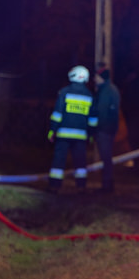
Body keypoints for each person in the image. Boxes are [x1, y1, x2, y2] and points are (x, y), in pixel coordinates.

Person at [48, 65, 97, 193]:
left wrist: (52, 130)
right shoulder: (89, 95)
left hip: (63, 134)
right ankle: (81, 186)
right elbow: (92, 119)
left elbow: (57, 114)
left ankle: (55, 186)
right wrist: (91, 135)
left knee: (59, 160)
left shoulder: (64, 92)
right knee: (80, 162)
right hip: (81, 136)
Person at [93, 63, 121, 193]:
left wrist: (96, 127)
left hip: (104, 129)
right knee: (107, 157)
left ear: (101, 78)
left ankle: (107, 185)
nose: (94, 79)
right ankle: (108, 184)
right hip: (110, 128)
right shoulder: (112, 89)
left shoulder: (105, 91)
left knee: (106, 157)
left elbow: (101, 111)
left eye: (96, 77)